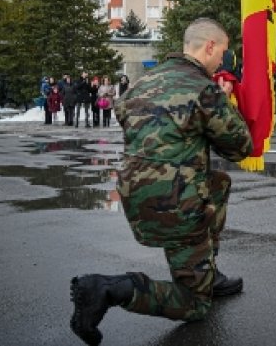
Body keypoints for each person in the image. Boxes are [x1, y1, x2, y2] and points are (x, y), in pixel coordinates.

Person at [70, 18, 253, 346]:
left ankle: (207, 272)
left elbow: (137, 128)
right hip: (177, 205)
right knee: (195, 305)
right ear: (209, 46)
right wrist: (223, 101)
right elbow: (240, 148)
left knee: (217, 183)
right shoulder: (204, 89)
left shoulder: (140, 84)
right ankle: (109, 289)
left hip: (135, 196)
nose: (222, 62)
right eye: (222, 53)